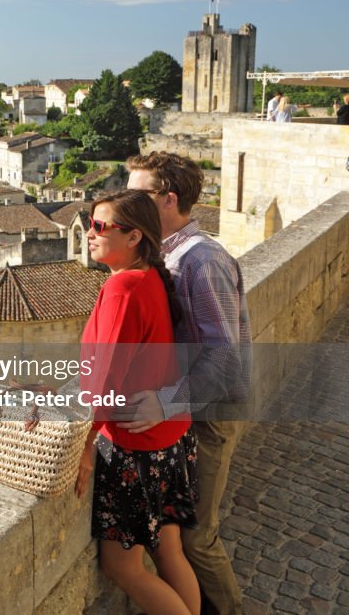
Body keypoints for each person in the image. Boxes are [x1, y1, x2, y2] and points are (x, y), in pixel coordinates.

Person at [124, 152, 251, 615]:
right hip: (183, 415)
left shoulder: (203, 262)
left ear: (168, 199)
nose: (125, 204)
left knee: (198, 535)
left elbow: (223, 359)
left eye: (136, 195)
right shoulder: (168, 255)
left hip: (207, 416)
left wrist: (166, 401)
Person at [74, 189, 200, 615]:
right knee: (169, 553)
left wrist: (86, 444)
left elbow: (104, 378)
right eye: (89, 223)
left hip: (136, 450)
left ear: (133, 237)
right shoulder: (148, 277)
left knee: (124, 568)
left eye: (99, 226)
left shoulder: (123, 289)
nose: (89, 233)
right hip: (171, 440)